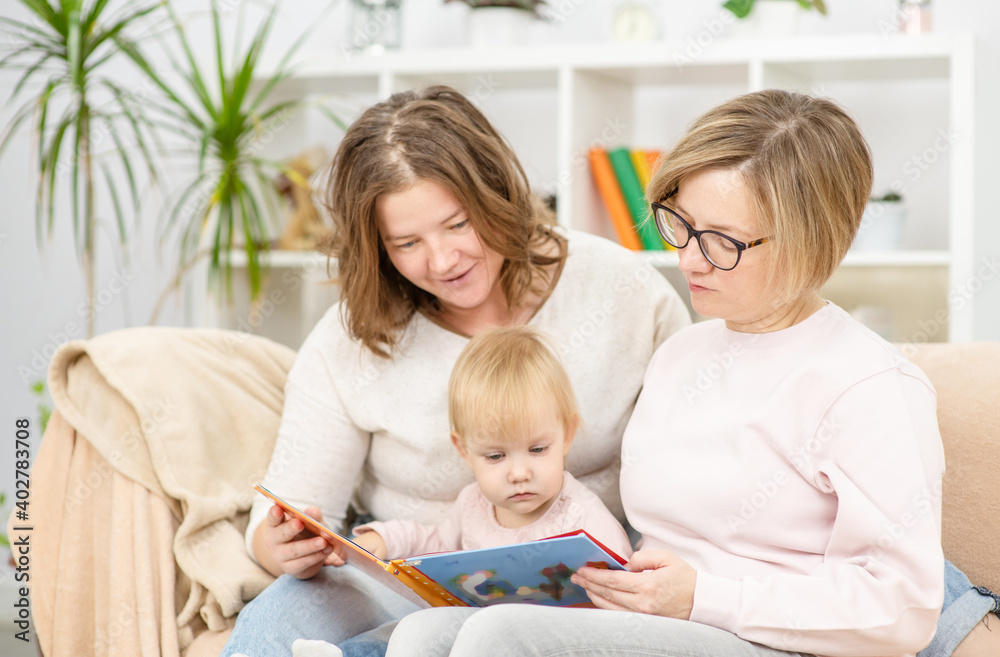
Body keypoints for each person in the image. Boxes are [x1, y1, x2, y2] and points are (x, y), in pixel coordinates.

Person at [381, 89, 1000, 657]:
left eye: (722, 240)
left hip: (770, 641)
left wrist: (705, 597)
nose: (687, 257)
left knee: (497, 638)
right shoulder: (683, 353)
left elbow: (903, 609)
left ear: (810, 239)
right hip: (659, 622)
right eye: (680, 223)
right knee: (420, 636)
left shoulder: (867, 385)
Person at [220, 85, 691, 657]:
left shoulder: (622, 290)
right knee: (271, 629)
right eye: (407, 243)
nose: (441, 262)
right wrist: (280, 546)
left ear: (498, 194)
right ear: (377, 248)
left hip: (587, 584)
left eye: (459, 225)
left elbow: (691, 471)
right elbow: (293, 507)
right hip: (410, 580)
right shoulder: (352, 338)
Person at [347, 325, 633, 562]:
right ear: (464, 451)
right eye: (496, 456)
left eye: (537, 450)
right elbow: (436, 545)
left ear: (567, 435)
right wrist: (387, 539)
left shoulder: (584, 520)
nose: (519, 474)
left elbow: (626, 587)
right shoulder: (472, 505)